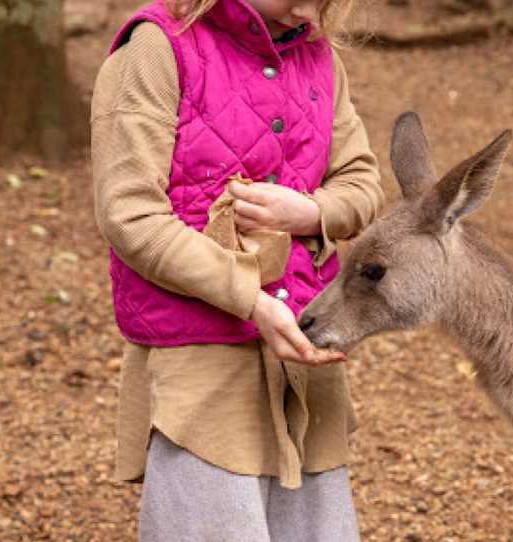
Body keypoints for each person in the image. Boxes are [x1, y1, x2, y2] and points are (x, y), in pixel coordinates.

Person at [90, 0, 384, 539]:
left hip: (304, 354)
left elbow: (362, 182)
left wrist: (313, 212)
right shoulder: (157, 48)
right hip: (200, 360)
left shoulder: (316, 53)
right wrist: (251, 299)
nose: (312, 11)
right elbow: (130, 215)